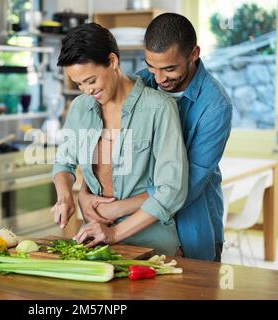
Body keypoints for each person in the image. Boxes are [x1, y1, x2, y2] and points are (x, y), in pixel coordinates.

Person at [79, 13, 233, 261]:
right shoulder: (141, 83)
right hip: (138, 233)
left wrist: (117, 207)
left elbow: (186, 183)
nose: (159, 79)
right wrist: (84, 195)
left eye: (170, 69)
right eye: (152, 66)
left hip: (190, 229)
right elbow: (108, 150)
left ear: (194, 54)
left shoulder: (215, 105)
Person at [51, 22, 188, 256]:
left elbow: (172, 190)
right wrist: (65, 196)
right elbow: (64, 162)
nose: (86, 91)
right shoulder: (80, 108)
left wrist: (114, 233)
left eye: (91, 80)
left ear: (113, 61)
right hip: (94, 240)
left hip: (151, 244)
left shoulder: (159, 108)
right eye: (79, 84)